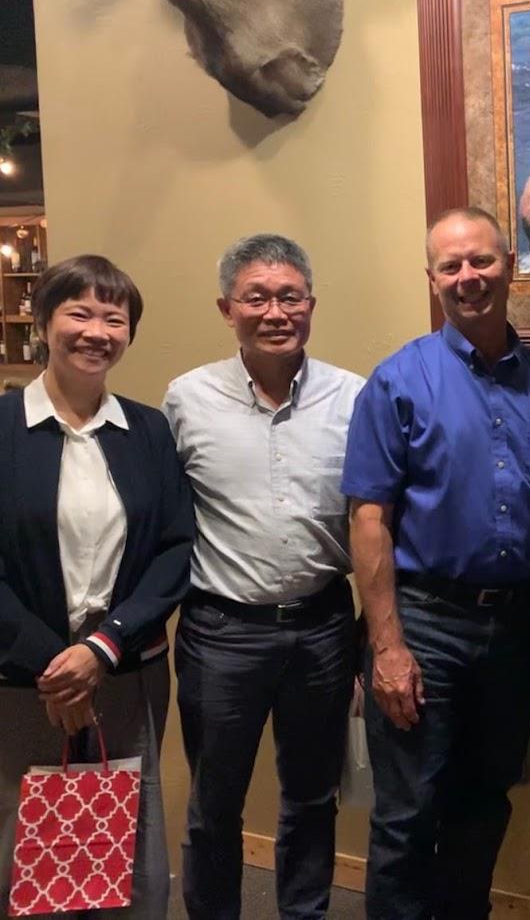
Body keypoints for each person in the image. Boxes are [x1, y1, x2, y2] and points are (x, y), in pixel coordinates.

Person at [342, 206, 530, 920]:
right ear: (432, 278)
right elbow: (368, 518)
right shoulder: (398, 380)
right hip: (424, 624)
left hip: (512, 629)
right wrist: (386, 646)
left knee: (482, 803)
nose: (468, 277)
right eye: (451, 265)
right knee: (408, 814)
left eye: (481, 260)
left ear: (510, 265)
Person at [163, 234, 365, 920]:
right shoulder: (186, 399)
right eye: (256, 296)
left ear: (310, 304)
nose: (274, 310)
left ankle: (303, 912)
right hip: (222, 632)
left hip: (322, 627)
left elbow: (374, 518)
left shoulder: (352, 397)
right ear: (228, 308)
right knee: (215, 802)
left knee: (312, 796)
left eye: (289, 296)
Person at [0, 255, 195, 918]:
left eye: (115, 317)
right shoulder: (2, 428)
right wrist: (54, 666)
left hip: (125, 667)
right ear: (43, 321)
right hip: (23, 678)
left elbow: (174, 549)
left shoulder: (146, 431)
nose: (97, 330)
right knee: (27, 846)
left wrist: (101, 648)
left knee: (125, 837)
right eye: (79, 312)